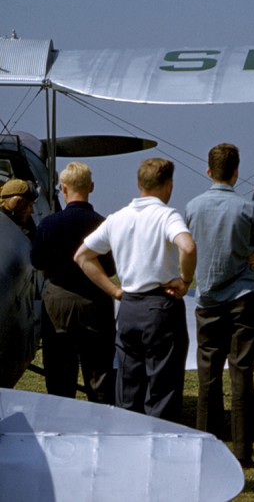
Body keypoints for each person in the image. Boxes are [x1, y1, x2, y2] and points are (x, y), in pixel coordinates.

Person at [75, 158, 196, 422]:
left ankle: (128, 446)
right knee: (162, 389)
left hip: (129, 308)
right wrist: (185, 280)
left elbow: (82, 256)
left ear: (138, 184)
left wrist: (115, 291)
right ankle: (160, 447)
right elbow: (187, 247)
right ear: (168, 185)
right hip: (160, 307)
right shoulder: (167, 215)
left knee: (128, 389)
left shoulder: (117, 218)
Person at [185, 143, 254, 469]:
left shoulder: (192, 207)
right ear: (236, 172)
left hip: (207, 301)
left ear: (209, 171)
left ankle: (206, 452)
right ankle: (243, 454)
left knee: (208, 379)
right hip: (244, 300)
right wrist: (250, 257)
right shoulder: (249, 209)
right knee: (242, 376)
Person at [30, 162, 116, 403]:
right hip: (95, 300)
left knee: (59, 370)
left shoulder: (48, 224)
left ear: (63, 188)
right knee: (99, 371)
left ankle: (62, 424)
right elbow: (110, 268)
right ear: (92, 187)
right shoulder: (103, 224)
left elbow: (37, 261)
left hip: (58, 302)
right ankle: (102, 425)